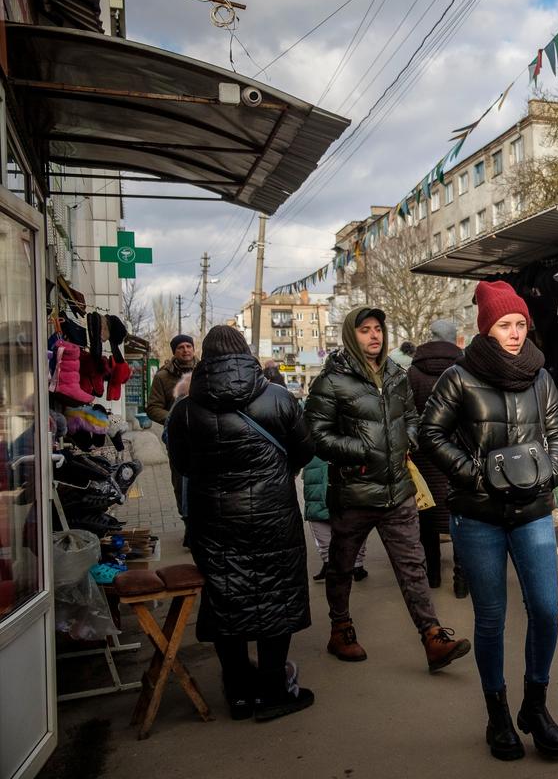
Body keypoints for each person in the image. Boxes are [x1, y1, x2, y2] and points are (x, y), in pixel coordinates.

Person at [421, 281, 558, 762]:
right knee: (491, 619)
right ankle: (498, 715)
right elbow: (429, 432)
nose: (514, 333)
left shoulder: (540, 375)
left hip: (532, 513)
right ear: (486, 328)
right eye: (504, 325)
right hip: (478, 516)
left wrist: (551, 471)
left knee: (547, 610)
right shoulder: (459, 377)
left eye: (520, 324)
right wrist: (473, 474)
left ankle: (536, 705)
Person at [304, 306, 470, 671]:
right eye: (365, 330)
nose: (374, 336)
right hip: (354, 491)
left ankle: (432, 637)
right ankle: (340, 628)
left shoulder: (397, 375)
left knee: (413, 565)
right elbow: (315, 434)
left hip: (398, 490)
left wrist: (406, 440)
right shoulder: (332, 381)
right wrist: (361, 451)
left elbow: (413, 417)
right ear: (352, 335)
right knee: (342, 565)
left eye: (378, 329)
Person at [166, 325, 316, 722]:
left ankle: (238, 692)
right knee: (275, 596)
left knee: (225, 600)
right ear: (246, 353)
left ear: (205, 358)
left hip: (212, 523)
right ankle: (272, 691)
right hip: (273, 518)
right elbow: (305, 448)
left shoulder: (183, 409)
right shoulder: (279, 397)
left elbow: (182, 466)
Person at [406, 319, 468, 596]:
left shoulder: (413, 372)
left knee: (428, 518)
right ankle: (461, 580)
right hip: (458, 452)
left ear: (430, 337)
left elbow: (406, 413)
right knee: (461, 514)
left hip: (425, 454)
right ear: (454, 339)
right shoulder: (465, 368)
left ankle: (432, 576)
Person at [148, 334, 195, 541]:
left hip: (204, 437)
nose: (186, 350)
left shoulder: (205, 371)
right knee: (181, 483)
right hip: (178, 440)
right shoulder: (163, 377)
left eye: (188, 346)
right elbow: (152, 407)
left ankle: (201, 526)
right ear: (174, 352)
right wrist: (174, 419)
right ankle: (188, 525)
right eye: (181, 348)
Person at [301, 452, 368, 583]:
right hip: (343, 469)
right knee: (355, 523)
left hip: (317, 467)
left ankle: (331, 563)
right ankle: (356, 565)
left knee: (319, 515)